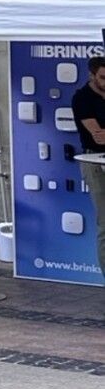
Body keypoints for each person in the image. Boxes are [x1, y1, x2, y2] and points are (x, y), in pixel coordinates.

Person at [71, 53, 105, 278]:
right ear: (92, 76)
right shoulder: (82, 98)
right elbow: (98, 137)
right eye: (103, 77)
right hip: (95, 162)